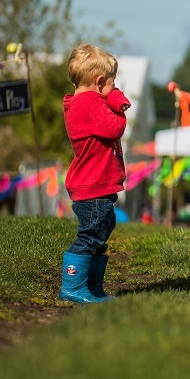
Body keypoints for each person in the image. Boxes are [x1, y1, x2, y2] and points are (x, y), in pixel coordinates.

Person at [59, 43, 131, 303]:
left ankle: (91, 288)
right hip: (93, 185)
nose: (115, 88)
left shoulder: (81, 102)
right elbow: (114, 129)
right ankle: (73, 287)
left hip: (95, 185)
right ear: (100, 81)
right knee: (90, 236)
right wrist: (120, 106)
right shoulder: (90, 103)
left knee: (99, 234)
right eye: (113, 83)